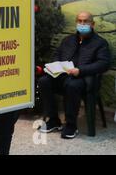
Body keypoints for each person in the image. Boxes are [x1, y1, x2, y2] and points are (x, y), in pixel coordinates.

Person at [38, 11, 111, 139]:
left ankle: (71, 125)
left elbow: (103, 64)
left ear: (92, 24)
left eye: (85, 21)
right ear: (76, 23)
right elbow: (57, 54)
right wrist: (55, 66)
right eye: (79, 21)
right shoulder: (68, 40)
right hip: (63, 75)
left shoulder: (100, 43)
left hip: (84, 79)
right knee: (44, 81)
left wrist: (80, 70)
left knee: (72, 84)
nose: (82, 24)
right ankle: (54, 120)